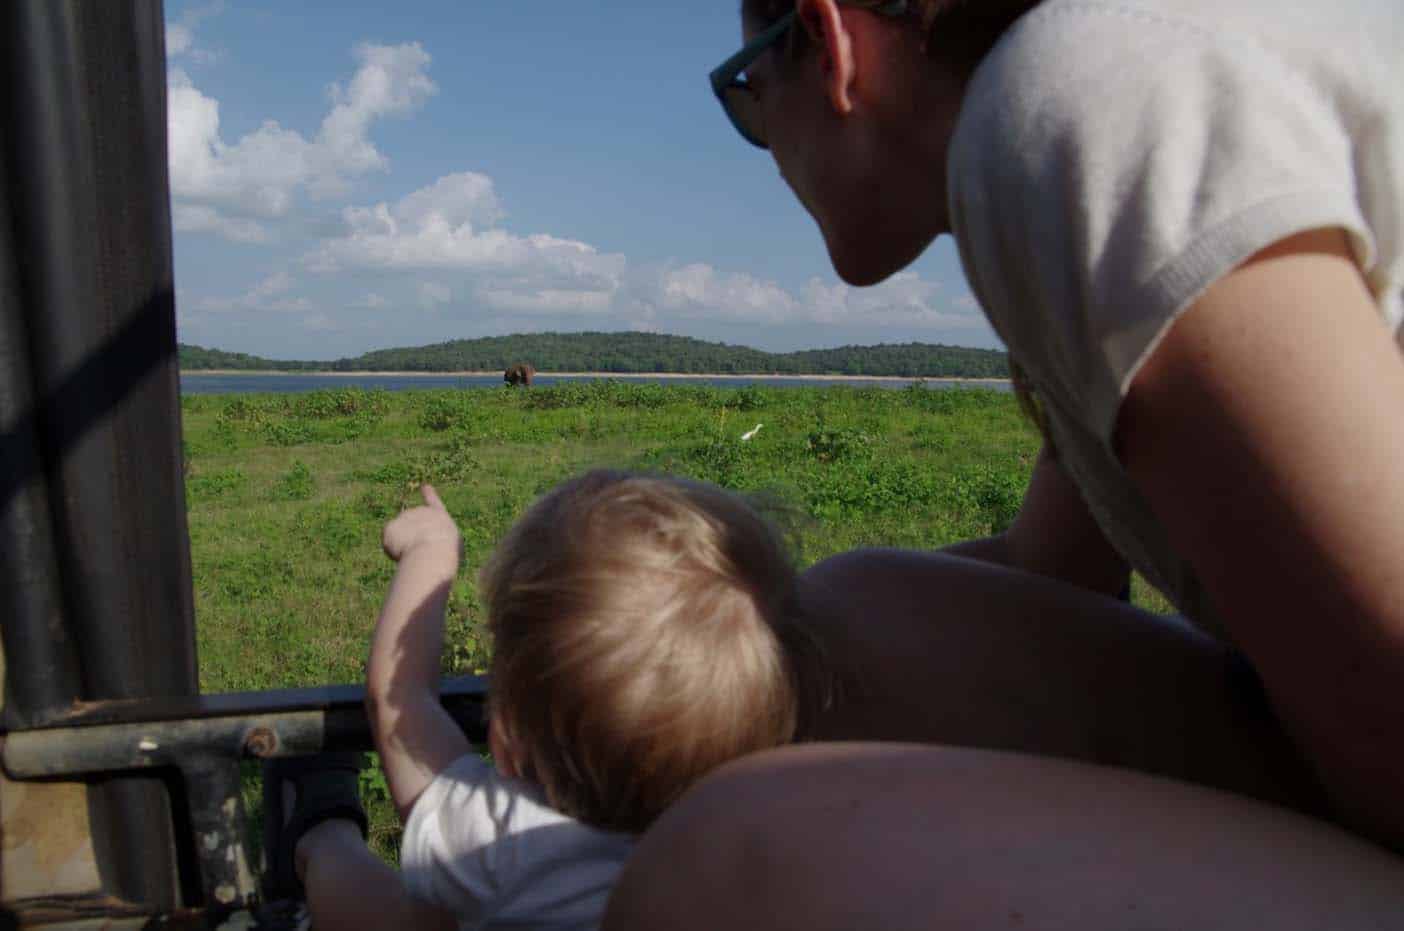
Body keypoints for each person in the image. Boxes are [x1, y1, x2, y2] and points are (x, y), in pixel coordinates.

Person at [602, 0, 1404, 926]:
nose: (762, 140)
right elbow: (1053, 575)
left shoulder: (1079, 101)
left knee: (723, 863)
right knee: (830, 621)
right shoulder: (1075, 99)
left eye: (747, 91)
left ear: (828, 43)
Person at [264, 470, 814, 929]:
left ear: (504, 738)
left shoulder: (498, 839)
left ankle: (316, 835)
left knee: (407, 914)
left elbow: (397, 697)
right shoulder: (775, 855)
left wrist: (429, 553)